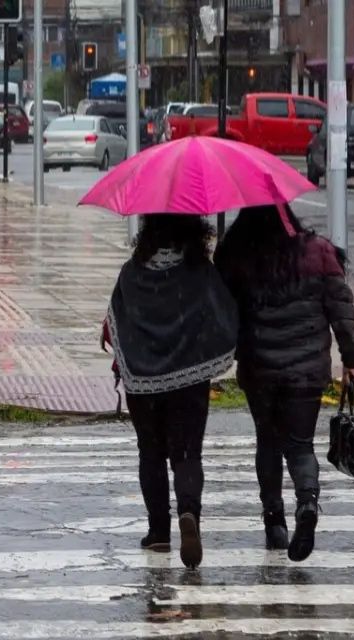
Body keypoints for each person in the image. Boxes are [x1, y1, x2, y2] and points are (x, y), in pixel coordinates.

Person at [213, 204, 354, 562]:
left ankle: (274, 523)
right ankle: (308, 503)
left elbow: (221, 308)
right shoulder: (318, 252)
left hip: (258, 368)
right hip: (306, 372)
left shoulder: (238, 256)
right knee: (300, 446)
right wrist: (352, 358)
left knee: (267, 441)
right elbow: (341, 309)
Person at [102, 214, 238, 570]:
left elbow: (115, 321)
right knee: (187, 454)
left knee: (150, 452)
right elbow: (223, 316)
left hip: (142, 383)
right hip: (190, 382)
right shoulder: (199, 271)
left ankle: (159, 531)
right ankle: (189, 511)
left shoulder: (132, 272)